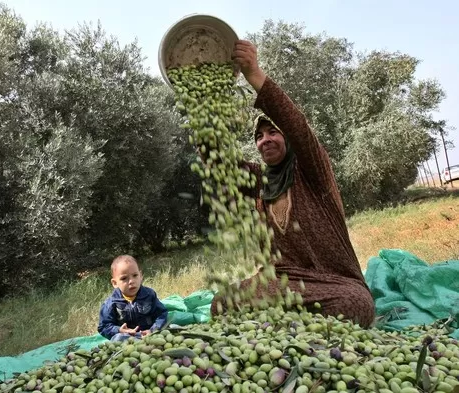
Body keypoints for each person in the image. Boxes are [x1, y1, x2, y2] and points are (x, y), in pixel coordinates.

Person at [208, 40, 375, 328]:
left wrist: (254, 75)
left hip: (332, 282)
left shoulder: (311, 171)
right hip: (281, 282)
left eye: (273, 132)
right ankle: (298, 326)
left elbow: (297, 124)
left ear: (287, 139)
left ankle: (280, 326)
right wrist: (208, 105)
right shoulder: (258, 182)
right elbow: (219, 163)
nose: (265, 140)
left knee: (355, 304)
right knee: (221, 303)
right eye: (259, 137)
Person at [98, 255, 168, 341]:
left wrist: (153, 330)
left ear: (140, 276)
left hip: (149, 334)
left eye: (135, 275)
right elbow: (104, 326)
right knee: (118, 339)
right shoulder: (111, 303)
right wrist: (119, 330)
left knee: (172, 328)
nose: (131, 281)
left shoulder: (149, 295)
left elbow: (161, 314)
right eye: (124, 278)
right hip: (127, 337)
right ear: (115, 283)